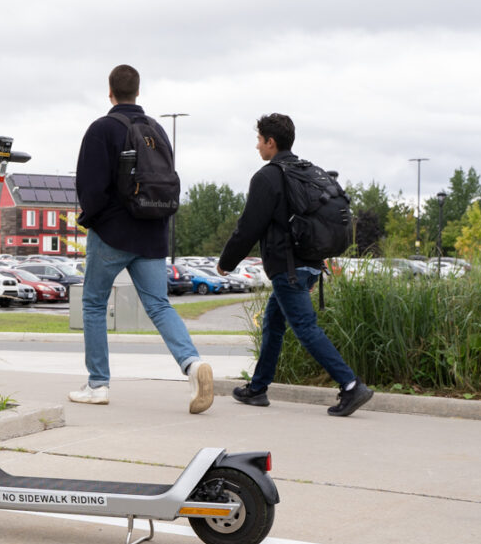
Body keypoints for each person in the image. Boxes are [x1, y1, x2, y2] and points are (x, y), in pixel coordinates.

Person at [72, 64, 213, 414]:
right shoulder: (157, 130)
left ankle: (98, 384)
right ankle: (193, 365)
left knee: (93, 305)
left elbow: (89, 187)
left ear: (110, 92)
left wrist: (92, 221)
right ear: (138, 91)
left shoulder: (102, 129)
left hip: (113, 234)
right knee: (159, 305)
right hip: (152, 233)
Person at [217, 113, 373, 417]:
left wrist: (226, 263)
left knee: (305, 328)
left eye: (259, 140)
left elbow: (249, 226)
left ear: (270, 142)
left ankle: (352, 385)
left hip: (289, 270)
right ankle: (258, 389)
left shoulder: (268, 176)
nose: (257, 146)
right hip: (311, 265)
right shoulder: (307, 170)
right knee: (273, 323)